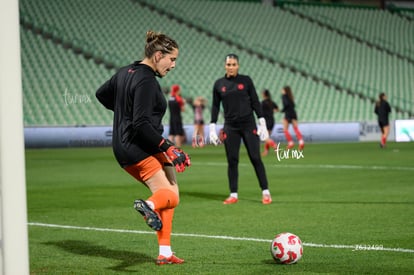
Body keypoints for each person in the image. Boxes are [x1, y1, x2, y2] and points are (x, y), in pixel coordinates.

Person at [95, 30, 190, 265]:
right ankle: (147, 206)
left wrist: (123, 112)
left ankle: (165, 252)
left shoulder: (124, 72)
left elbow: (100, 94)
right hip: (140, 144)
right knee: (169, 197)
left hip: (126, 145)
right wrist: (168, 146)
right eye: (172, 59)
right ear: (158, 55)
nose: (174, 65)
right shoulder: (147, 79)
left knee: (170, 194)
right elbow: (141, 124)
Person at [209, 53, 272, 205]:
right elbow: (215, 106)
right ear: (225, 66)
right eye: (228, 64)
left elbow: (256, 102)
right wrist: (212, 127)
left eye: (233, 64)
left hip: (248, 125)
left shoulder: (246, 80)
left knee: (255, 158)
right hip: (230, 127)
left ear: (238, 65)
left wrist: (262, 123)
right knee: (232, 160)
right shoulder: (219, 84)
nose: (231, 67)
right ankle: (233, 194)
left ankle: (266, 192)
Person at [281, 86, 304, 150]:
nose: (281, 91)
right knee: (296, 128)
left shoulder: (284, 96)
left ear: (285, 90)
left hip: (288, 113)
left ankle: (290, 142)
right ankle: (301, 142)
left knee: (285, 129)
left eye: (282, 90)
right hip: (293, 113)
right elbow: (293, 105)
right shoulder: (291, 96)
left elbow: (286, 104)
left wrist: (283, 110)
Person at [261, 89, 279, 156]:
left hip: (266, 121)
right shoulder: (271, 102)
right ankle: (266, 151)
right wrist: (271, 111)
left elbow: (261, 113)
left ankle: (275, 146)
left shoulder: (263, 103)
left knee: (265, 137)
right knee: (267, 136)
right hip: (271, 120)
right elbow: (277, 109)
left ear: (264, 94)